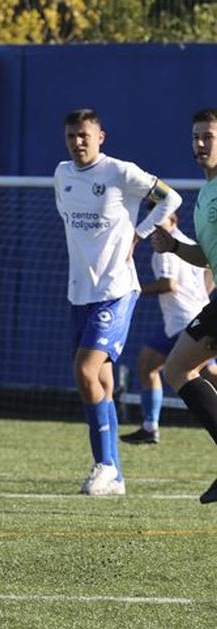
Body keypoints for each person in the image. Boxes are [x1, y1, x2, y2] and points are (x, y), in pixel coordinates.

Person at [54, 108, 180, 496]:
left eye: (85, 135)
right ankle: (116, 477)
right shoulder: (62, 175)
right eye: (72, 135)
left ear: (100, 137)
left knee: (86, 372)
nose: (78, 142)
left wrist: (139, 234)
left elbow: (169, 198)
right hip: (80, 294)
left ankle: (104, 464)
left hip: (117, 290)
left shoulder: (121, 173)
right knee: (102, 382)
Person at [152, 107, 217, 504]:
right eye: (195, 137)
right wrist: (175, 247)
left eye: (208, 136)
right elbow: (209, 257)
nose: (199, 144)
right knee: (178, 367)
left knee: (178, 367)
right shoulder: (205, 193)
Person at [123, 210, 216, 445]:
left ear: (174, 219)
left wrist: (135, 290)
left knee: (195, 371)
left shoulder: (166, 247)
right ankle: (149, 426)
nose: (155, 221)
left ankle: (150, 426)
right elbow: (209, 270)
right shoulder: (190, 242)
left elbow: (169, 284)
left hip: (182, 317)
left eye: (162, 216)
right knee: (150, 364)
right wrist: (201, 296)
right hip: (189, 314)